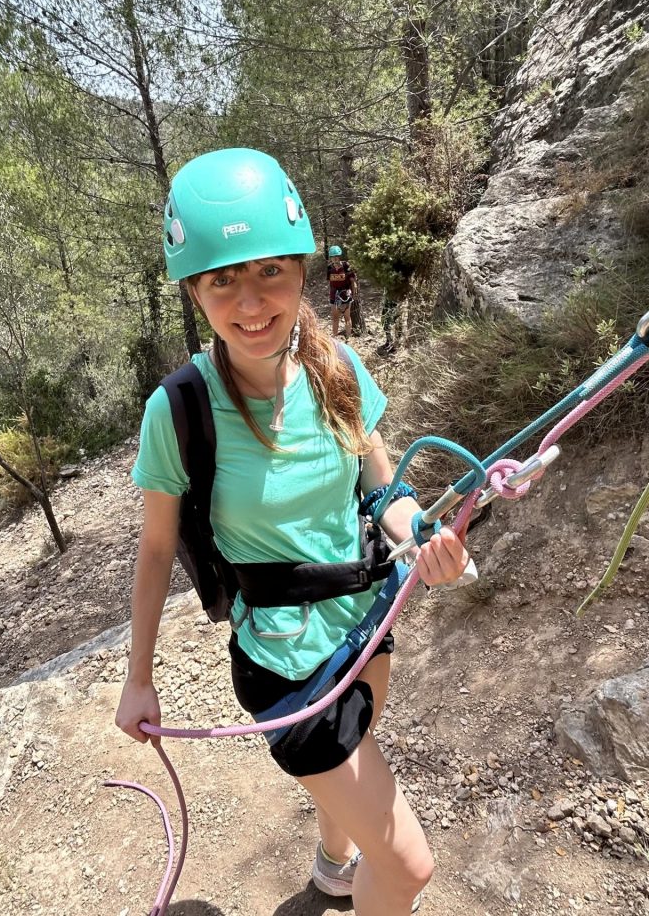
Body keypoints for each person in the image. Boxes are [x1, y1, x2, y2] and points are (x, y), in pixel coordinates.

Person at [116, 148, 473, 916]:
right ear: (194, 290)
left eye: (270, 270)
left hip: (367, 621)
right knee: (409, 866)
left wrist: (423, 537)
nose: (251, 302)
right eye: (222, 279)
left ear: (301, 268)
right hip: (284, 666)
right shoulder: (177, 412)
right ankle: (361, 871)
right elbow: (154, 550)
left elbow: (388, 493)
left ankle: (333, 868)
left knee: (358, 774)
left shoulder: (337, 369)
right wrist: (138, 674)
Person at [327, 245, 358, 338]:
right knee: (335, 317)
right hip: (334, 295)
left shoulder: (346, 266)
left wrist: (353, 293)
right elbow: (330, 282)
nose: (335, 259)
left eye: (337, 256)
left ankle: (348, 338)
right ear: (331, 258)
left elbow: (353, 281)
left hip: (345, 294)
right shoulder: (329, 268)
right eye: (333, 257)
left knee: (347, 317)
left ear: (339, 256)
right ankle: (335, 338)